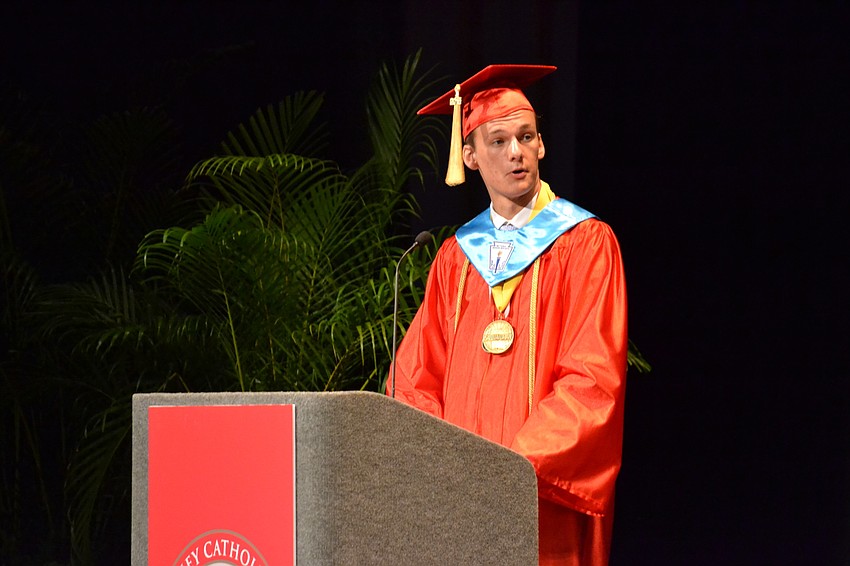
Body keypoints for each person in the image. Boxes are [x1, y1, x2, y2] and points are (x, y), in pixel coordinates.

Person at [389, 64, 628, 565]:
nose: (515, 152)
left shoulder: (584, 243)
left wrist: (509, 469)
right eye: (497, 141)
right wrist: (444, 466)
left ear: (542, 145)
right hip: (458, 502)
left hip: (537, 495)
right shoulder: (455, 258)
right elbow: (416, 379)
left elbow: (593, 378)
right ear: (470, 157)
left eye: (526, 136)